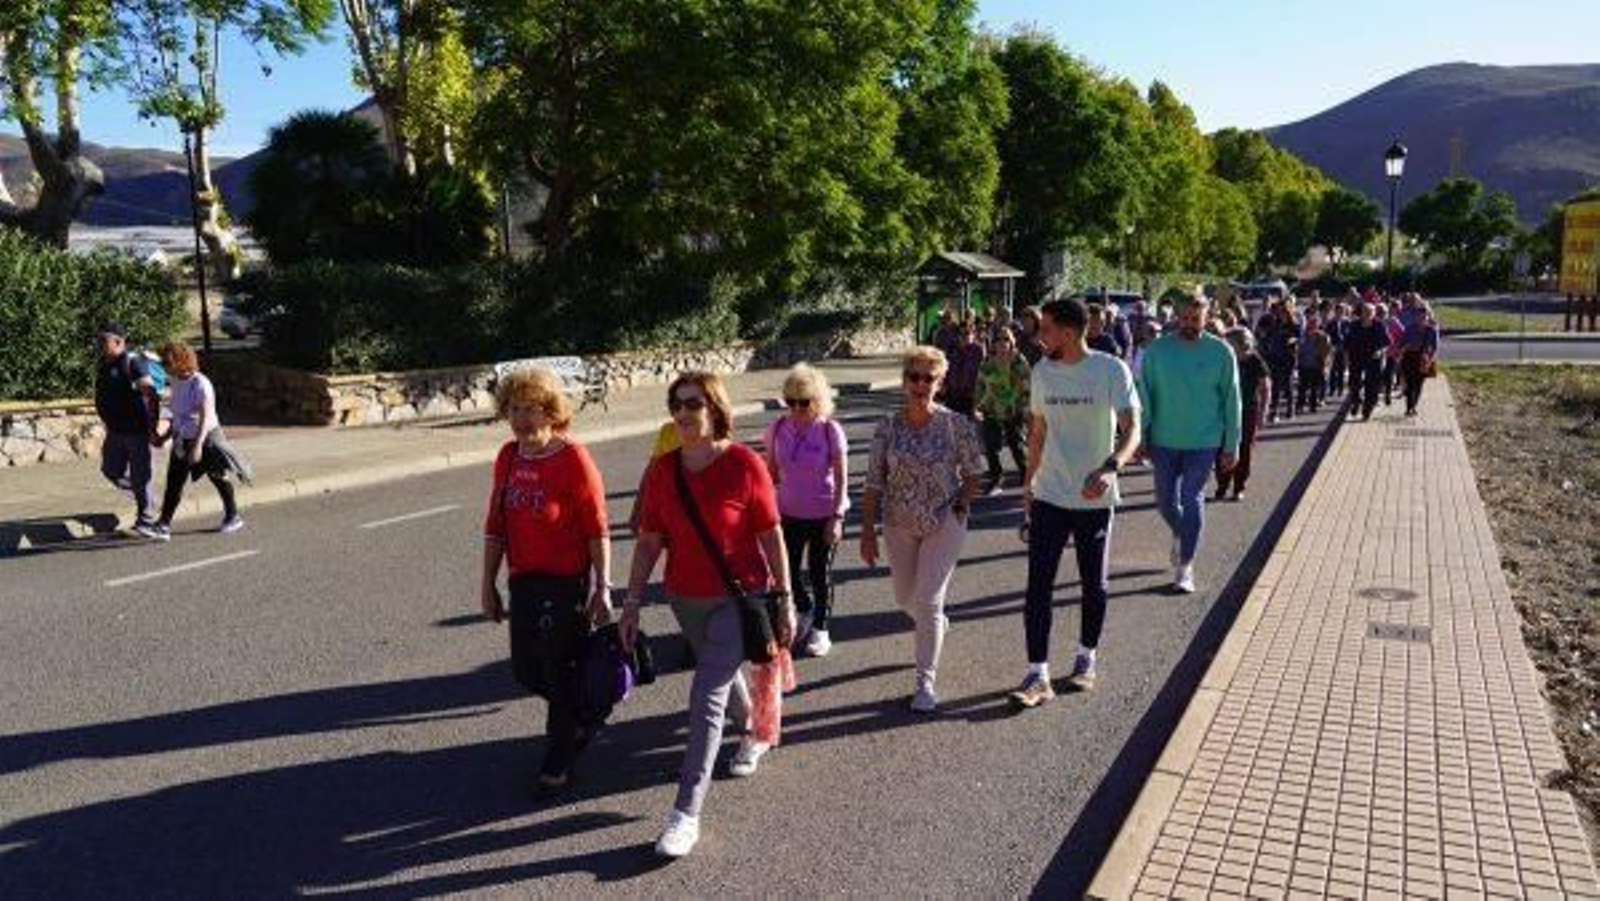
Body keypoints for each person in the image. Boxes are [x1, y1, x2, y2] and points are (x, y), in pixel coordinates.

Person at [621, 371, 794, 858]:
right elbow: (650, 541)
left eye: (693, 403)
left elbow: (770, 534)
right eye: (676, 404)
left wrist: (784, 595)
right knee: (721, 679)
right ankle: (755, 727)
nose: (683, 413)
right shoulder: (663, 469)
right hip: (683, 597)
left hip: (736, 598)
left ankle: (685, 814)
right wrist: (631, 602)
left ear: (714, 407)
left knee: (706, 695)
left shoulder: (743, 463)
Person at [479, 366, 613, 795]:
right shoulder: (508, 456)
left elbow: (597, 528)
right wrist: (487, 583)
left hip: (566, 582)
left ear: (551, 411)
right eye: (514, 409)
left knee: (558, 669)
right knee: (526, 669)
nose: (521, 419)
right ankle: (582, 713)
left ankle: (559, 758)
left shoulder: (573, 458)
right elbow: (495, 524)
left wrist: (602, 587)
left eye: (531, 409)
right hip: (524, 582)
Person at [1009, 298, 1141, 706]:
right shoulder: (1043, 371)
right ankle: (1038, 675)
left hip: (1094, 499)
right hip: (1050, 494)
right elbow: (1038, 432)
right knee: (1038, 588)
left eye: (1045, 328)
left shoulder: (1110, 369)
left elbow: (1133, 427)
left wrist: (1112, 466)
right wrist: (1028, 487)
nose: (1039, 335)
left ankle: (1086, 658)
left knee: (1093, 584)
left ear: (1067, 331)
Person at [859, 346, 984, 713]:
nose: (920, 384)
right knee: (905, 600)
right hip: (898, 523)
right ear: (903, 381)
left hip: (943, 521)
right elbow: (872, 483)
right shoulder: (887, 427)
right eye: (913, 377)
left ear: (940, 383)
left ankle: (924, 682)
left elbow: (975, 473)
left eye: (928, 378)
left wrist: (960, 506)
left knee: (928, 600)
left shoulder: (954, 425)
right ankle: (935, 625)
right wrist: (867, 531)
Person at [1138, 295, 1242, 594]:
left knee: (1191, 496)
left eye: (1195, 319)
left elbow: (1232, 400)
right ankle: (1182, 533)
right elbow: (1144, 395)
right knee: (1166, 502)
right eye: (1184, 318)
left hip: (1204, 441)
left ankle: (1185, 567)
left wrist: (1231, 445)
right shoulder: (1157, 350)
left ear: (1207, 317)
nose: (1189, 324)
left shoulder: (1221, 352)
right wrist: (1142, 436)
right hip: (1163, 440)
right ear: (1176, 316)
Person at [762, 363, 849, 658]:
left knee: (819, 572)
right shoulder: (776, 429)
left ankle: (821, 629)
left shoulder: (829, 430)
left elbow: (841, 478)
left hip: (824, 512)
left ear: (819, 400)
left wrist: (837, 517)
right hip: (788, 513)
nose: (796, 408)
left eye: (804, 402)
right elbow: (769, 475)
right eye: (790, 401)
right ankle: (805, 609)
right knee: (788, 573)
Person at [151, 342, 249, 538]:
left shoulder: (200, 383)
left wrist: (197, 447)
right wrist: (165, 437)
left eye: (166, 362)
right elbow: (178, 416)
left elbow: (205, 417)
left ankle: (233, 515)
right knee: (174, 481)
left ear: (180, 361)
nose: (163, 366)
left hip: (206, 437)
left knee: (217, 476)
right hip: (183, 437)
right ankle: (163, 524)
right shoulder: (175, 380)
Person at [93, 323, 163, 539]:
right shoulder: (104, 363)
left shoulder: (133, 363)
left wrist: (152, 427)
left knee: (140, 476)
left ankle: (146, 520)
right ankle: (149, 501)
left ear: (119, 341)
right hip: (115, 430)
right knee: (110, 471)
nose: (99, 344)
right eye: (99, 340)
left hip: (136, 430)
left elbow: (152, 396)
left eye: (104, 340)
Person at [1215, 328, 1270, 502]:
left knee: (1244, 448)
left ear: (1241, 343)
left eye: (1229, 344)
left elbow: (1266, 386)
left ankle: (1239, 486)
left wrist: (1263, 412)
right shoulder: (1224, 360)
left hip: (1248, 410)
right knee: (1222, 447)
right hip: (1225, 411)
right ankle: (1222, 484)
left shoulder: (1255, 360)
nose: (1226, 347)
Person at [975, 330, 1031, 495]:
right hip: (991, 409)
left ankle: (1026, 476)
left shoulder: (1019, 361)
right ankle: (996, 478)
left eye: (1006, 339)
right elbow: (979, 384)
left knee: (1016, 446)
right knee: (991, 447)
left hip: (1014, 410)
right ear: (993, 343)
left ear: (1012, 341)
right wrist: (976, 405)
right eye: (998, 339)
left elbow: (1027, 387)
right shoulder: (987, 362)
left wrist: (1026, 410)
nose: (1001, 342)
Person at [1343, 302, 1390, 421]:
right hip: (1356, 358)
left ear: (1374, 314)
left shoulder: (1379, 325)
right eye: (1365, 311)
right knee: (1354, 383)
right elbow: (1347, 344)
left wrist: (1381, 351)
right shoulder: (1354, 325)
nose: (1368, 314)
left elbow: (1387, 342)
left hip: (1373, 359)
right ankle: (1356, 402)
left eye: (1371, 312)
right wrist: (1347, 359)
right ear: (1361, 313)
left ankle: (1367, 410)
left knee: (1372, 386)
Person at [1256, 300, 1300, 423]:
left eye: (1283, 312)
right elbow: (1268, 336)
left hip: (1288, 357)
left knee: (1287, 384)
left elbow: (1299, 337)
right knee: (1275, 384)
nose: (1281, 314)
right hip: (1275, 356)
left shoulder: (1294, 324)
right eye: (1279, 312)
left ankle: (1290, 409)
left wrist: (1293, 340)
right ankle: (1274, 411)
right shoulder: (1276, 324)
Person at [1399, 302, 1440, 417]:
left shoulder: (1432, 330)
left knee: (1418, 384)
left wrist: (1430, 360)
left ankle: (1413, 406)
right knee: (1409, 384)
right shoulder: (1409, 328)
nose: (1421, 318)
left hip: (1423, 359)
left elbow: (1435, 347)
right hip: (1409, 357)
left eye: (1424, 316)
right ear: (1415, 316)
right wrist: (1405, 347)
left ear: (1428, 316)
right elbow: (1401, 344)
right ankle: (1409, 407)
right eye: (1419, 315)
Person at [941, 320, 986, 415]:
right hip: (952, 394)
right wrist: (944, 384)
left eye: (966, 333)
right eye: (960, 333)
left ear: (973, 334)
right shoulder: (952, 349)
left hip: (970, 396)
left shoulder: (978, 351)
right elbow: (945, 369)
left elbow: (983, 373)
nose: (963, 336)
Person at [1294, 316, 1332, 415]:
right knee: (1302, 387)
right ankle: (1300, 405)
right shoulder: (1303, 336)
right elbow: (1298, 349)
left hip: (1316, 364)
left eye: (1315, 324)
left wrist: (1325, 365)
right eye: (1311, 323)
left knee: (1314, 387)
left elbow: (1327, 351)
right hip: (1304, 364)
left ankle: (1313, 405)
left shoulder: (1323, 337)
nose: (1312, 326)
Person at [1379, 303, 1405, 407]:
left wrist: (1399, 348)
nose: (1381, 314)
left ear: (1387, 312)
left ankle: (1387, 394)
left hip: (1392, 353)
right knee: (1381, 375)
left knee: (1389, 375)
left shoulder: (1394, 321)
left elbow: (1403, 335)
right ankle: (1380, 392)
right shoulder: (1375, 322)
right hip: (1380, 354)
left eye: (1383, 312)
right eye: (1379, 312)